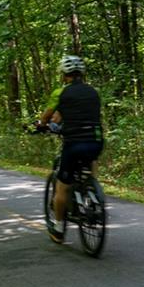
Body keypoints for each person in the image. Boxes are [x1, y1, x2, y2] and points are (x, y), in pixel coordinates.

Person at [36, 55, 104, 243]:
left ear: (64, 74)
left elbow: (49, 116)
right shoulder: (93, 92)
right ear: (82, 73)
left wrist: (41, 124)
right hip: (96, 141)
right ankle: (92, 189)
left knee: (62, 186)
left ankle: (58, 229)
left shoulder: (61, 93)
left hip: (74, 143)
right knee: (90, 160)